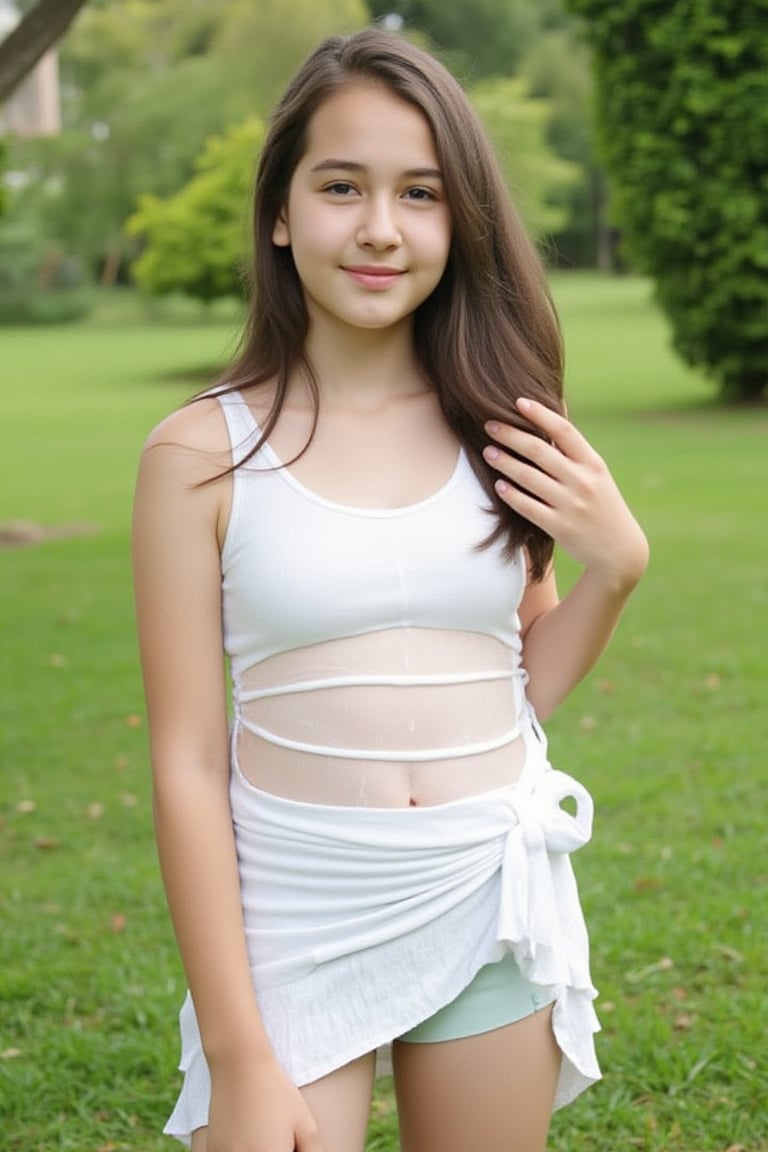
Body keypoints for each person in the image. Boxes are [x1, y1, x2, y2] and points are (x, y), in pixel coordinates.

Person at [132, 27, 649, 1152]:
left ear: (457, 217)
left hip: (483, 889)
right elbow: (183, 759)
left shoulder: (504, 428)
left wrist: (615, 572)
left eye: (420, 192)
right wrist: (235, 1052)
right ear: (280, 211)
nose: (379, 227)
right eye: (340, 187)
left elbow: (516, 689)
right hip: (295, 909)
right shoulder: (199, 454)